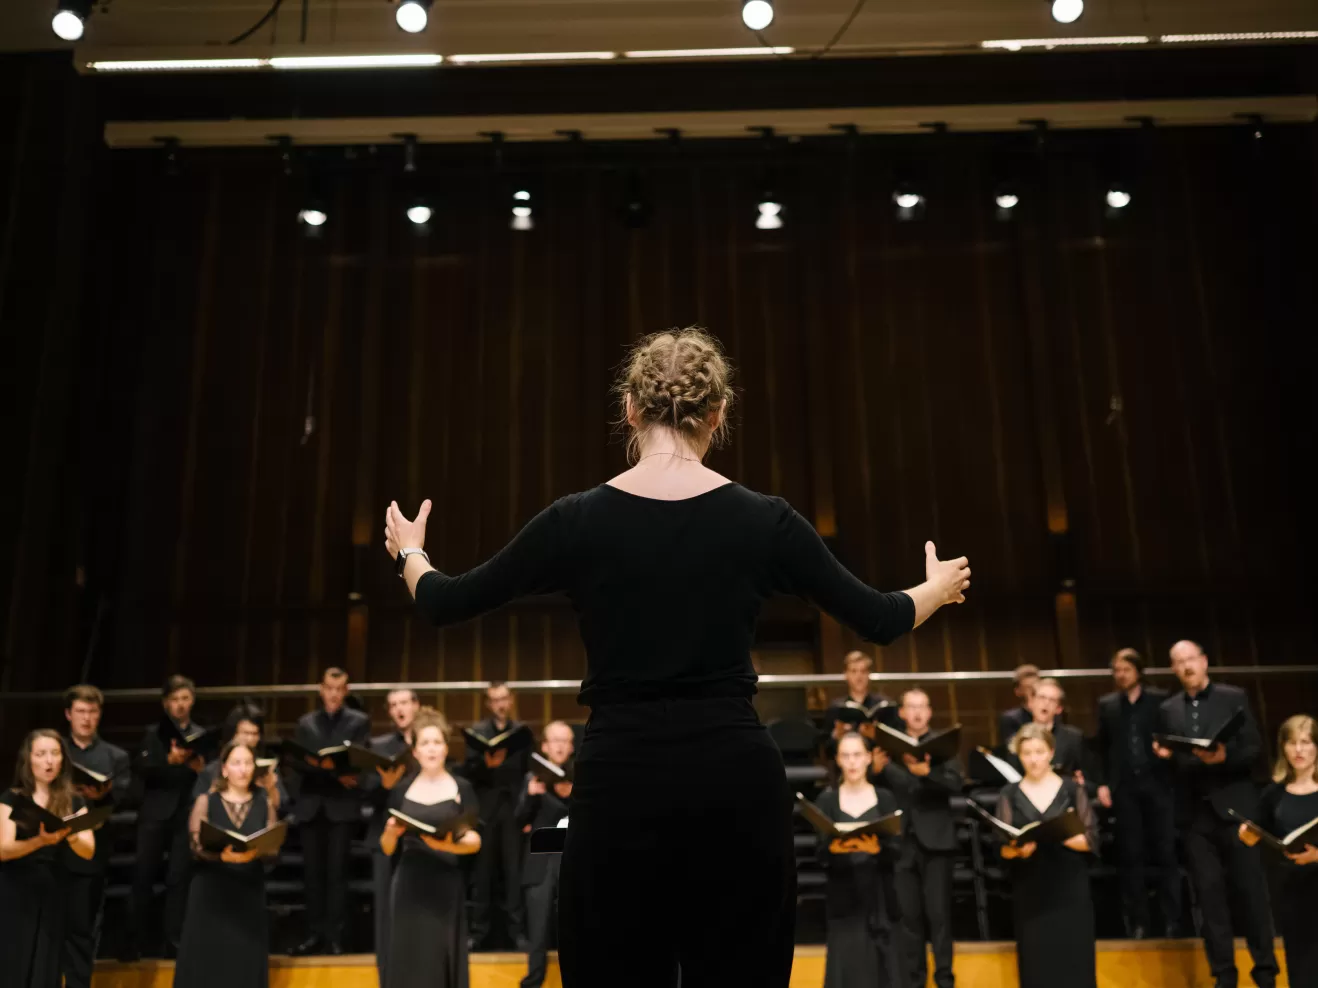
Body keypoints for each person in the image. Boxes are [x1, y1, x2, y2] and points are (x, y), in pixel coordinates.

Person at [383, 328, 971, 987]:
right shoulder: (765, 520)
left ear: (630, 409)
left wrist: (411, 551)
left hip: (619, 783)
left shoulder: (576, 519)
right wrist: (937, 588)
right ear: (718, 415)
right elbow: (882, 617)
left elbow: (443, 600)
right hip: (734, 784)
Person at [1154, 640, 1277, 988]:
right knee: (1209, 898)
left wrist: (1224, 758)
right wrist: (1167, 755)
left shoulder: (1232, 696)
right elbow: (1174, 763)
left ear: (1204, 661)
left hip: (1237, 809)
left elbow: (1253, 747)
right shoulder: (1169, 709)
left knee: (1251, 893)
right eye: (1179, 662)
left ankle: (1265, 971)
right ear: (1174, 669)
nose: (1187, 666)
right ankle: (1224, 974)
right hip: (1196, 814)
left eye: (1191, 659)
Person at [380, 708, 481, 988]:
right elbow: (387, 849)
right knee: (407, 955)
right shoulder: (401, 790)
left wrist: (447, 845)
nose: (432, 748)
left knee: (440, 956)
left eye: (437, 742)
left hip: (445, 881)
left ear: (446, 748)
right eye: (425, 743)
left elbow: (474, 842)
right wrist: (390, 832)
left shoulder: (462, 787)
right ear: (415, 751)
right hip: (409, 882)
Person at [870, 687, 963, 988]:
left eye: (923, 706)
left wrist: (927, 773)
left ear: (930, 711)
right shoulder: (889, 747)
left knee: (939, 916)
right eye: (911, 706)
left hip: (937, 841)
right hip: (902, 842)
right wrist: (874, 771)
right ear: (901, 712)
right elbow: (874, 791)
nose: (918, 712)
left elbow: (956, 784)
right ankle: (914, 981)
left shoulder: (944, 746)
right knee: (908, 918)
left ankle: (945, 979)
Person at [996, 723, 1098, 988]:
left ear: (1051, 752)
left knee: (1075, 959)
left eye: (1039, 751)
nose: (1033, 759)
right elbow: (1002, 850)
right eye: (1027, 753)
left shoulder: (1072, 789)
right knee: (1036, 962)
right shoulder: (1009, 794)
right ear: (1019, 756)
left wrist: (1057, 833)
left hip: (1069, 886)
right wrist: (1017, 850)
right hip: (1031, 889)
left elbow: (1091, 841)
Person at [174, 741, 279, 988]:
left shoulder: (265, 802)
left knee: (245, 958)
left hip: (248, 888)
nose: (243, 769)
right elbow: (194, 847)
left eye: (248, 763)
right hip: (211, 891)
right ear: (224, 769)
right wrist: (222, 857)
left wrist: (256, 853)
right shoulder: (206, 801)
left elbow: (274, 848)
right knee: (208, 959)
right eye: (236, 763)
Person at [1092, 649, 1181, 938]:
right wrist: (1103, 783)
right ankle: (1139, 921)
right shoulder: (1108, 705)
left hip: (1157, 784)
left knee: (1165, 851)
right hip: (1125, 787)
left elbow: (1171, 737)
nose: (1121, 675)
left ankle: (1173, 920)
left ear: (1138, 671)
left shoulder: (1159, 699)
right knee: (1131, 854)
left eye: (1126, 669)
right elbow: (1102, 748)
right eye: (1116, 670)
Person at [0, 729, 96, 988]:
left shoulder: (73, 800)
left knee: (47, 961)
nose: (49, 761)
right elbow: (3, 849)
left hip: (54, 886)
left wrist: (71, 836)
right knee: (13, 959)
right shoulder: (11, 798)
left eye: (55, 754)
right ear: (28, 759)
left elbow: (88, 850)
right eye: (41, 754)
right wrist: (40, 841)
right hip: (15, 889)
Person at [290, 666, 372, 956]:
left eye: (340, 689)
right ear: (321, 689)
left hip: (342, 807)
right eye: (330, 688)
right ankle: (314, 933)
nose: (335, 694)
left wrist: (325, 770)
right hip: (312, 805)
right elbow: (299, 764)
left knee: (338, 874)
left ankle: (336, 937)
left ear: (346, 691)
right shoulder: (305, 723)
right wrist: (334, 774)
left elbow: (357, 763)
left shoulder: (359, 721)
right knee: (312, 874)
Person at [1237, 714, 1318, 988]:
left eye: (1306, 742)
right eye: (1292, 743)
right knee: (1300, 966)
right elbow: (1260, 835)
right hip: (1293, 891)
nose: (1299, 750)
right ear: (1282, 747)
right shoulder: (1273, 794)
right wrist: (1249, 836)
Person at [129, 674, 207, 958]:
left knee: (178, 878)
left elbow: (206, 774)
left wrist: (199, 767)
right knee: (144, 874)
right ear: (165, 703)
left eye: (185, 698)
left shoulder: (200, 733)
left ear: (192, 700)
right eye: (174, 699)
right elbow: (140, 769)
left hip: (184, 812)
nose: (180, 705)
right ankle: (135, 941)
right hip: (155, 811)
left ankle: (173, 941)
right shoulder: (153, 733)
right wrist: (167, 761)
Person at [817, 732, 900, 988]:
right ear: (838, 760)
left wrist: (876, 849)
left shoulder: (885, 798)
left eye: (857, 755)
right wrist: (837, 848)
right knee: (846, 966)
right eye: (845, 755)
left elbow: (897, 849)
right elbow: (820, 853)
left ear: (868, 758)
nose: (852, 762)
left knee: (884, 968)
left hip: (880, 897)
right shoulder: (827, 800)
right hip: (844, 896)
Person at [61, 684, 130, 988]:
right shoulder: (55, 752)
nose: (86, 718)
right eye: (80, 712)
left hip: (94, 848)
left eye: (92, 712)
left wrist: (101, 796)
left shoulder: (115, 756)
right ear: (68, 714)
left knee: (83, 923)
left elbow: (127, 799)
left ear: (99, 715)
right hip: (53, 845)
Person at [462, 680, 531, 950]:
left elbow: (529, 770)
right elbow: (468, 773)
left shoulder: (522, 733)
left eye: (504, 698)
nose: (500, 704)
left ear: (511, 700)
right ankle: (479, 933)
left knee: (514, 874)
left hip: (513, 811)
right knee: (482, 874)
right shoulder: (478, 732)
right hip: (485, 811)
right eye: (495, 699)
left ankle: (517, 933)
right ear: (488, 703)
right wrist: (485, 765)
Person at [366, 688, 420, 986]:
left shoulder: (428, 743)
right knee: (386, 912)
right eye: (393, 705)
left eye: (404, 703)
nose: (399, 709)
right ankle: (387, 977)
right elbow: (365, 794)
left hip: (420, 839)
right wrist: (385, 785)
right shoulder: (379, 745)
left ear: (416, 706)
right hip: (385, 838)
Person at [516, 720, 575, 988]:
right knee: (537, 932)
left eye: (565, 740)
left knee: (574, 931)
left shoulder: (583, 777)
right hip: (540, 863)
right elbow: (519, 821)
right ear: (545, 745)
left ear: (572, 746)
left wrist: (574, 795)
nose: (560, 745)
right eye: (555, 740)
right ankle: (533, 982)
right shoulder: (533, 778)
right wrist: (530, 796)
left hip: (572, 863)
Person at [192, 702, 286, 814]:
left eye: (255, 734)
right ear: (233, 733)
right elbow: (197, 808)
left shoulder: (266, 768)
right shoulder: (212, 770)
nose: (250, 739)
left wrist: (271, 788)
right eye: (245, 733)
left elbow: (280, 807)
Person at [1006, 678, 1086, 782]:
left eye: (1052, 700)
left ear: (1059, 709)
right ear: (1031, 702)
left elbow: (1088, 779)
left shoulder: (1074, 738)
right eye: (1042, 697)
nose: (1046, 703)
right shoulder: (1017, 739)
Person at [997, 664, 1039, 743]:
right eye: (1029, 687)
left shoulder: (1050, 713)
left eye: (1037, 686)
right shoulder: (1010, 718)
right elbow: (1012, 749)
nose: (1034, 691)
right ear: (1018, 691)